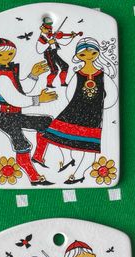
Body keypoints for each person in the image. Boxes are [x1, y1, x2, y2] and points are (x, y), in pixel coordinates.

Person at [32, 37, 118, 183]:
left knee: (89, 146)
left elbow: (112, 96)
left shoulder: (103, 76)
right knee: (56, 134)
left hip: (93, 116)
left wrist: (99, 107)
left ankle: (79, 174)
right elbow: (69, 93)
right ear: (78, 56)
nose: (88, 56)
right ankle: (68, 159)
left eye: (92, 53)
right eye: (83, 54)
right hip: (73, 111)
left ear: (97, 53)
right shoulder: (77, 74)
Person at [0, 38, 57, 186]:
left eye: (9, 53)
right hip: (8, 119)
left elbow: (21, 89)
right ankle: (34, 177)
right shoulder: (2, 77)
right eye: (0, 55)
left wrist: (33, 75)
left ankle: (38, 157)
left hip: (15, 116)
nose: (6, 57)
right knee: (21, 144)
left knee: (45, 122)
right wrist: (38, 99)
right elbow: (15, 99)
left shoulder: (10, 72)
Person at [36, 17, 79, 88]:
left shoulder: (51, 35)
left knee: (65, 66)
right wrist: (48, 43)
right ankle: (49, 84)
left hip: (54, 53)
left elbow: (61, 35)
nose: (49, 31)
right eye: (47, 29)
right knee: (54, 70)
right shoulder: (40, 37)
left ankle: (63, 83)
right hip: (48, 54)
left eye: (50, 29)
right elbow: (39, 49)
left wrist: (71, 35)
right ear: (42, 28)